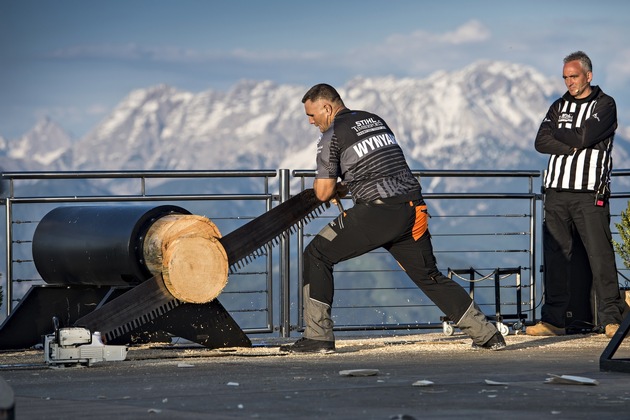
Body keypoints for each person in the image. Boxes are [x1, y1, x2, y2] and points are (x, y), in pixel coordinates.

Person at [280, 83, 506, 353]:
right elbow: (379, 168)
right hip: (413, 208)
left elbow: (323, 191)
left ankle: (318, 337)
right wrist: (348, 185)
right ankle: (487, 335)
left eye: (312, 115)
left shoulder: (331, 134)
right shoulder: (373, 120)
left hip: (377, 212)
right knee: (428, 275)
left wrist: (330, 187)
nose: (310, 122)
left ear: (327, 108)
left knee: (316, 254)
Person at [527, 51, 626, 338]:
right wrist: (572, 144)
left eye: (574, 76)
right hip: (556, 192)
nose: (569, 81)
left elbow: (585, 136)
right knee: (556, 258)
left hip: (589, 192)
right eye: (566, 77)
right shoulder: (559, 105)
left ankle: (611, 319)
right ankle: (553, 321)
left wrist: (565, 135)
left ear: (588, 75)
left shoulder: (605, 105)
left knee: (600, 256)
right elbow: (540, 141)